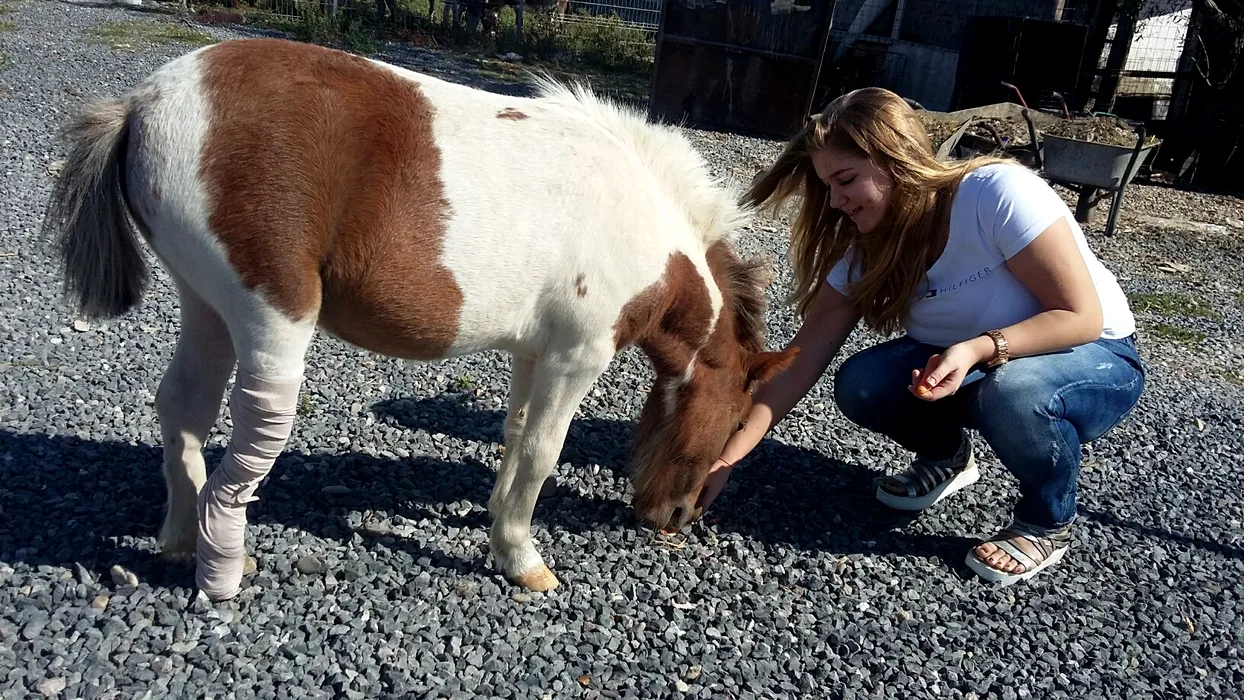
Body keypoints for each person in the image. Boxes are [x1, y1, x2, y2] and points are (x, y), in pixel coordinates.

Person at [697, 87, 1146, 585]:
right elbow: (800, 361)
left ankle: (1046, 522)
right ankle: (948, 458)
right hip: (976, 361)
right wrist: (727, 457)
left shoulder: (995, 195)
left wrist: (978, 348)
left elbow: (1080, 316)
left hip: (1092, 354)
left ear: (895, 159)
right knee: (862, 384)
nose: (836, 200)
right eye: (827, 186)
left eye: (846, 179)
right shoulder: (867, 249)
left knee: (1013, 393)